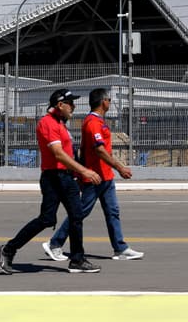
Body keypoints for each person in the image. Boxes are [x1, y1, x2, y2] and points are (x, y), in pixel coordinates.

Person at [0, 89, 103, 275]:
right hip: (53, 178)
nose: (74, 106)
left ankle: (77, 260)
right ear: (60, 105)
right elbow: (58, 154)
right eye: (71, 103)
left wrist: (76, 175)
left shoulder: (60, 123)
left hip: (66, 177)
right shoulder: (47, 123)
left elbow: (69, 153)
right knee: (47, 219)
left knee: (76, 216)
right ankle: (8, 249)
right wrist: (84, 171)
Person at [42, 87, 144, 261]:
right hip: (95, 177)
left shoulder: (98, 121)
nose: (110, 102)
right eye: (109, 100)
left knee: (113, 212)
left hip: (106, 177)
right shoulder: (92, 122)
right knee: (80, 212)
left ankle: (120, 248)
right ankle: (55, 243)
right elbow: (99, 150)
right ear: (103, 102)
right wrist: (119, 167)